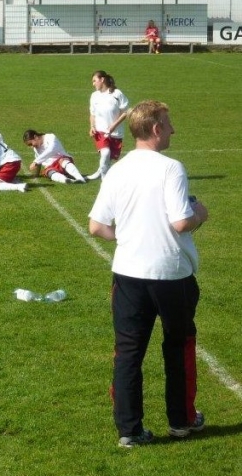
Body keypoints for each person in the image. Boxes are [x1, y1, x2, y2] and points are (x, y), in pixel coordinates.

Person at [88, 100, 208, 448]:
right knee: (179, 344)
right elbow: (181, 221)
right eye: (168, 124)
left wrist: (126, 239)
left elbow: (96, 226)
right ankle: (182, 421)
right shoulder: (171, 168)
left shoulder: (119, 170)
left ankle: (129, 429)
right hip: (171, 273)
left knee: (128, 352)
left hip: (127, 275)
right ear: (156, 129)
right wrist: (200, 213)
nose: (172, 130)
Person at [88, 70, 130, 181]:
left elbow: (126, 112)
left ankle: (99, 172)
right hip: (100, 130)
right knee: (105, 153)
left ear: (102, 80)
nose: (93, 84)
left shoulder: (117, 94)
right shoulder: (94, 96)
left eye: (94, 81)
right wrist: (92, 126)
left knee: (108, 158)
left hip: (115, 132)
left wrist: (113, 126)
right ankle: (104, 179)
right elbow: (92, 114)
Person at [22, 129, 87, 184]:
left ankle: (80, 179)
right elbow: (39, 160)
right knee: (48, 172)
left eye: (31, 144)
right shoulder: (36, 148)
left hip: (62, 162)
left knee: (63, 161)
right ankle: (67, 181)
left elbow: (51, 150)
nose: (31, 146)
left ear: (35, 137)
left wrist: (35, 162)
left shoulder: (50, 137)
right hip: (52, 168)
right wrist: (36, 174)